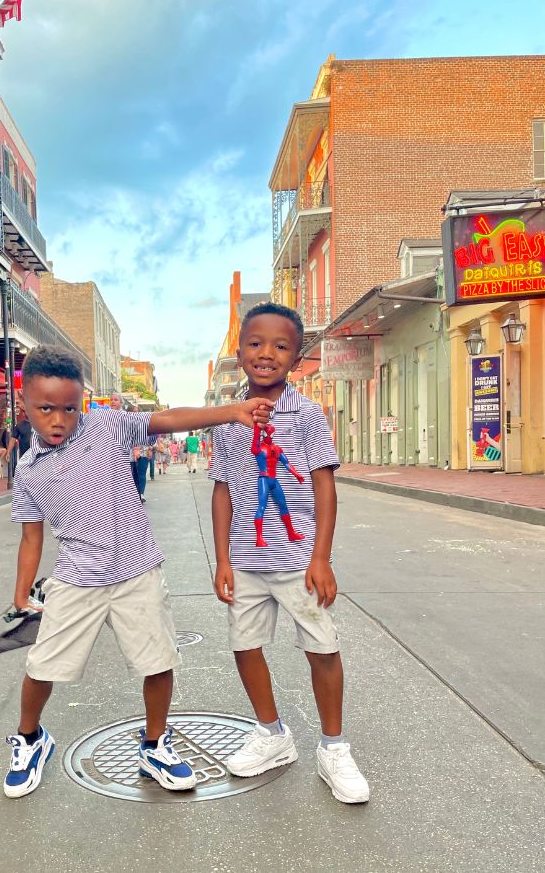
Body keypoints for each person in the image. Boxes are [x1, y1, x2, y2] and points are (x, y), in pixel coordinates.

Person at [4, 344, 272, 799]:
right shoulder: (27, 472)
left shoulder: (106, 426)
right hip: (75, 579)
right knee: (41, 667)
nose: (58, 420)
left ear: (82, 403)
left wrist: (232, 412)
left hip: (136, 572)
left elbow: (166, 420)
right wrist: (20, 593)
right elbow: (33, 538)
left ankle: (154, 744)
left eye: (69, 408)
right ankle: (30, 739)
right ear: (24, 403)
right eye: (45, 408)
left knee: (158, 661)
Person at [209, 302, 369, 804]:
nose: (266, 354)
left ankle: (333, 747)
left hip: (300, 560)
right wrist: (223, 559)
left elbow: (325, 487)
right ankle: (272, 735)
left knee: (322, 647)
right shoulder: (227, 419)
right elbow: (222, 490)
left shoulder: (306, 415)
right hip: (247, 561)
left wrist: (321, 557)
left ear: (296, 359)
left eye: (281, 346)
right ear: (240, 353)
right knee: (244, 644)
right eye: (256, 343)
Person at [6, 403, 33, 468]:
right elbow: (13, 439)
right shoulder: (19, 426)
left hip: (37, 454)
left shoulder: (38, 424)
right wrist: (8, 452)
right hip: (24, 454)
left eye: (26, 411)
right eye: (23, 411)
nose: (24, 413)